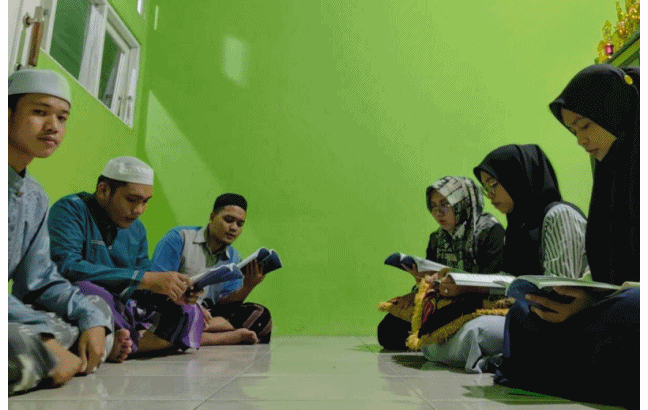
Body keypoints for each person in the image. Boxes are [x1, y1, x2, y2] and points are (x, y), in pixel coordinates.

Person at [495, 65, 639, 408]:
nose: (580, 140)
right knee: (522, 316)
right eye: (573, 130)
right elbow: (605, 272)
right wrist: (581, 299)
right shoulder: (609, 176)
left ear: (615, 111)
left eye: (585, 125)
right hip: (611, 309)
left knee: (634, 309)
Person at [8, 69, 115, 395]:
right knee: (23, 343)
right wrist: (45, 336)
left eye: (62, 117)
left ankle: (43, 356)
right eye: (40, 112)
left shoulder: (35, 196)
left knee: (98, 310)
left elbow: (39, 280)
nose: (53, 126)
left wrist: (89, 317)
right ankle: (43, 354)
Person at [47, 157, 205, 358]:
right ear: (104, 191)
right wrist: (143, 279)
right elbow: (67, 267)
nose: (139, 210)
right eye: (131, 200)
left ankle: (118, 344)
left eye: (145, 202)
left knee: (188, 311)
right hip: (84, 300)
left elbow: (144, 284)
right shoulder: (71, 210)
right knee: (89, 291)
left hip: (122, 306)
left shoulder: (137, 229)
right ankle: (123, 342)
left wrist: (170, 293)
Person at [377, 176, 505, 351]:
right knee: (388, 331)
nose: (438, 213)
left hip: (475, 302)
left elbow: (493, 282)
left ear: (462, 203)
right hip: (442, 299)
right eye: (433, 206)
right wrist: (420, 285)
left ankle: (437, 341)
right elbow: (432, 274)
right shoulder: (438, 238)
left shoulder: (491, 232)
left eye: (444, 204)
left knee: (456, 328)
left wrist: (457, 286)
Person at [151, 193, 272, 345]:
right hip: (175, 307)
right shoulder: (179, 238)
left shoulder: (234, 257)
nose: (234, 228)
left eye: (240, 224)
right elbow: (156, 287)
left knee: (260, 314)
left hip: (208, 315)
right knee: (167, 313)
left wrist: (248, 285)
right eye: (228, 220)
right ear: (212, 217)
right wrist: (192, 306)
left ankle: (192, 329)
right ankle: (220, 336)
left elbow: (225, 305)